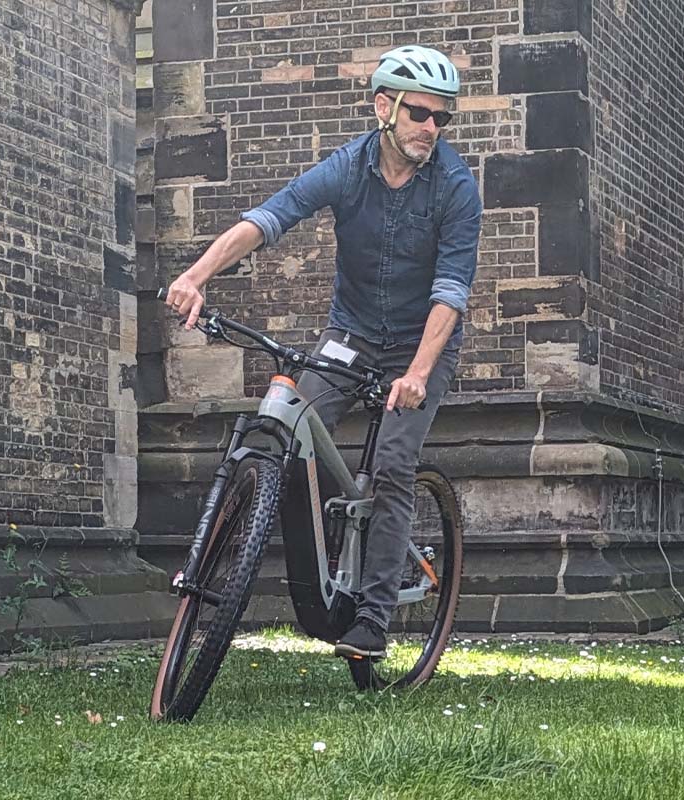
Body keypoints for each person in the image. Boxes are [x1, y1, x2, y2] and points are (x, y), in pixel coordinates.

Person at [165, 45, 482, 659]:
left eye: (444, 118)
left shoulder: (455, 187)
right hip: (352, 336)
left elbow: (451, 292)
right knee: (288, 425)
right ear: (383, 107)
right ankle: (296, 565)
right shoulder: (347, 166)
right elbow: (271, 217)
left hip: (422, 348)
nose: (432, 128)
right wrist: (197, 276)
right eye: (420, 113)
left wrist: (417, 372)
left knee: (392, 463)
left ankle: (373, 617)